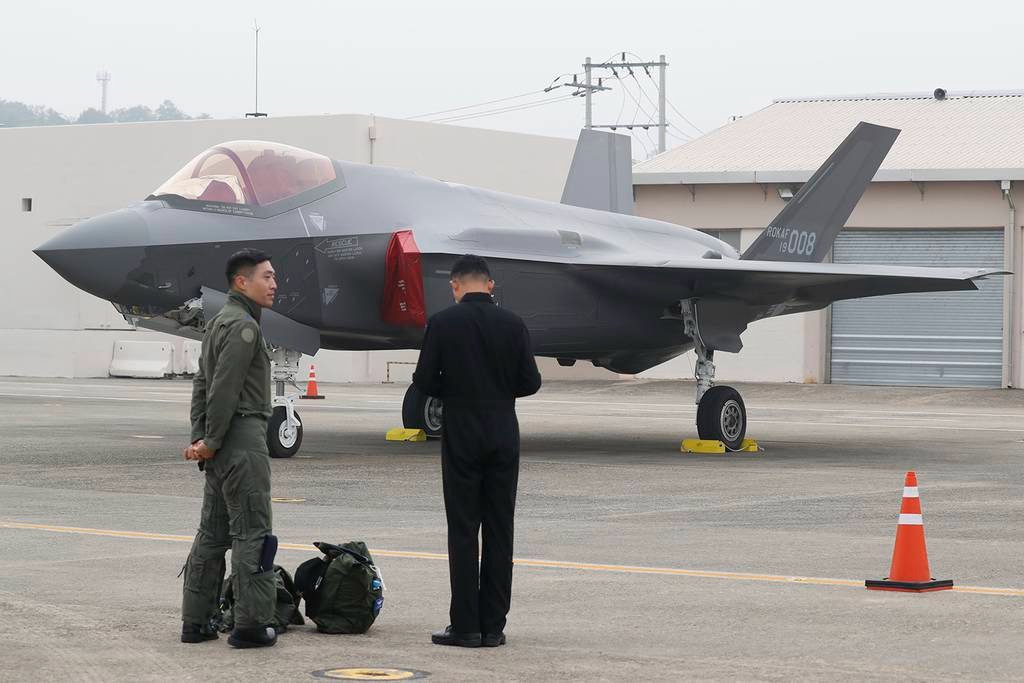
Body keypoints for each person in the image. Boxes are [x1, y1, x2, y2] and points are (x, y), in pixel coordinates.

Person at [413, 254, 542, 648]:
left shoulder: (442, 323)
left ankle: (466, 625)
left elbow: (423, 380)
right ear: (490, 284)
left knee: (464, 529)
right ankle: (493, 626)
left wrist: (456, 390)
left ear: (455, 286)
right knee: (500, 529)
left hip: (462, 432)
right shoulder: (513, 324)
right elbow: (531, 382)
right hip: (503, 430)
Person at [180, 249, 279, 649]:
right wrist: (213, 440)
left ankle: (196, 621)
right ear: (242, 281)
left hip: (220, 446)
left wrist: (201, 439)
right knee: (252, 532)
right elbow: (223, 387)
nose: (274, 285)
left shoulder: (219, 321)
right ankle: (251, 625)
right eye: (266, 277)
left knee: (212, 533)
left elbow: (201, 385)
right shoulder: (244, 327)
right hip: (241, 441)